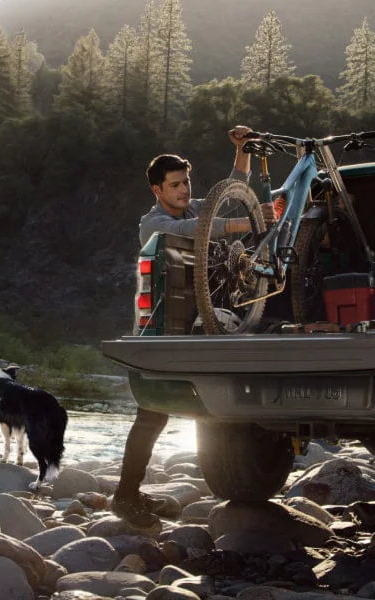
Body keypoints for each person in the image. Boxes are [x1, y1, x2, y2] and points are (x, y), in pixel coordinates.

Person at [112, 125, 271, 527]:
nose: (184, 190)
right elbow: (201, 231)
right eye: (175, 185)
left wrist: (242, 151)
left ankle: (230, 477)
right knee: (152, 415)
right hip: (161, 328)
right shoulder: (153, 223)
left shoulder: (195, 207)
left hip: (199, 322)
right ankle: (125, 496)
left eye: (186, 182)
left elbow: (232, 193)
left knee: (205, 405)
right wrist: (250, 224)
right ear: (157, 190)